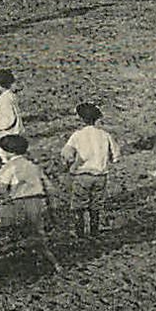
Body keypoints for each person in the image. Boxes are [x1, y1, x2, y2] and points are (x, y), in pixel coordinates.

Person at [0, 133, 60, 272]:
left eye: (1, 150)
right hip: (37, 205)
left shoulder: (9, 167)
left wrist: (2, 194)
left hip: (19, 205)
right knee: (38, 237)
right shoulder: (33, 166)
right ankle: (55, 264)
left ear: (9, 152)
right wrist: (52, 209)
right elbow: (49, 188)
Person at [60, 102, 122, 240]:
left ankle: (80, 234)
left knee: (78, 206)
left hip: (82, 175)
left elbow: (67, 153)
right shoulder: (105, 135)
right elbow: (116, 156)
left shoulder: (77, 135)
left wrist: (70, 164)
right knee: (96, 205)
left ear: (81, 119)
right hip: (100, 176)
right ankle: (95, 232)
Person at [0, 68, 23, 139]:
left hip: (8, 135)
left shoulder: (4, 98)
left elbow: (8, 122)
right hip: (15, 133)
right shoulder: (10, 95)